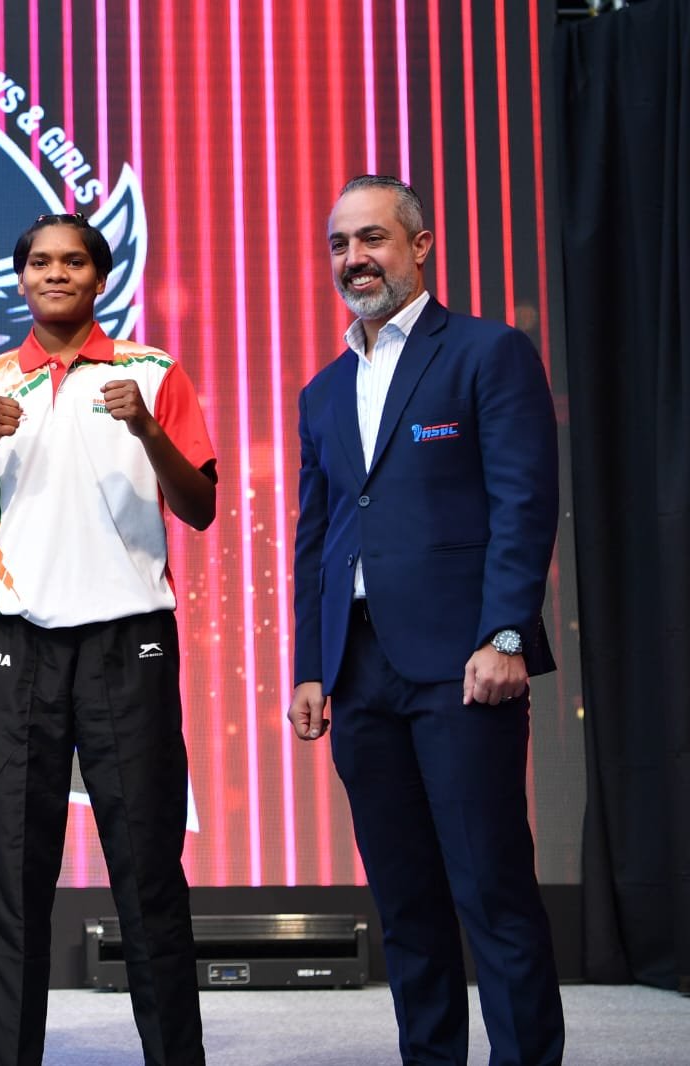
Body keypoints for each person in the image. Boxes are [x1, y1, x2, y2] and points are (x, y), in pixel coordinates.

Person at [288, 174, 564, 1064]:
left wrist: (506, 634)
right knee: (405, 901)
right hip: (359, 670)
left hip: (464, 663)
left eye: (371, 238)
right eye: (340, 244)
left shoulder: (488, 352)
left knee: (491, 889)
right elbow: (318, 540)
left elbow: (524, 504)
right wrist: (309, 667)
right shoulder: (323, 391)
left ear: (420, 245)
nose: (354, 258)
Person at [0, 213, 216, 1066]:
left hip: (129, 641)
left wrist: (147, 429)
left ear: (99, 276)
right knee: (16, 876)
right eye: (40, 262)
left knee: (148, 870)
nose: (56, 274)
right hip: (16, 644)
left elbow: (200, 508)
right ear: (21, 277)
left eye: (73, 262)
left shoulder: (152, 373)